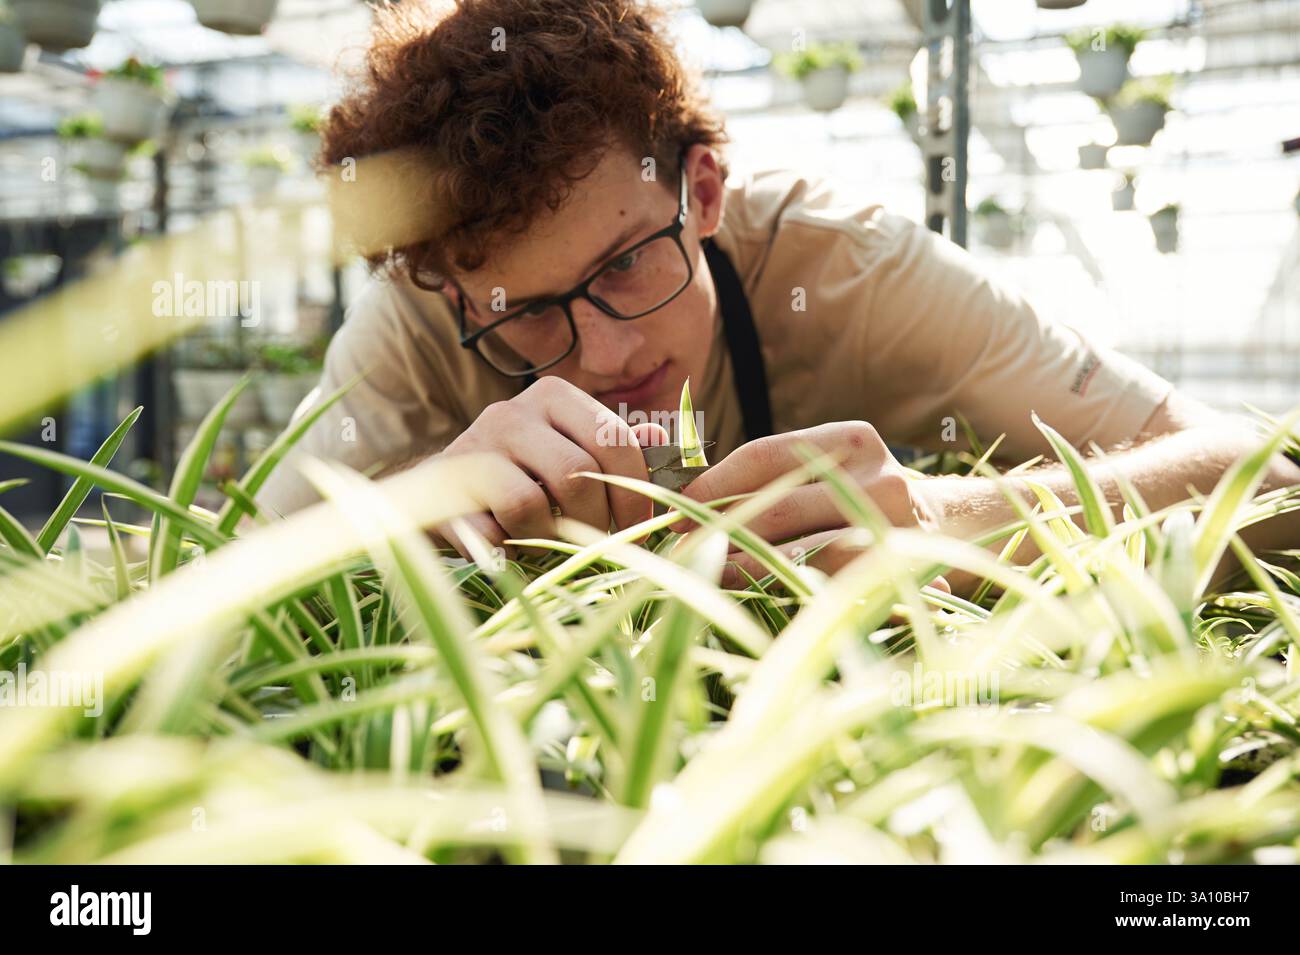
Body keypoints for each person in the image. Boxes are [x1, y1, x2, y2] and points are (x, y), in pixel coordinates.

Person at [257, 0, 1300, 595]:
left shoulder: (846, 266)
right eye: (526, 312)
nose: (607, 355)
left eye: (625, 262)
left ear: (701, 190)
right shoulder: (412, 323)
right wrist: (414, 499)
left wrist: (951, 517)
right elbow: (228, 589)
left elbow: (1265, 473)